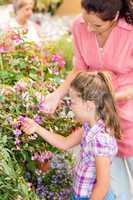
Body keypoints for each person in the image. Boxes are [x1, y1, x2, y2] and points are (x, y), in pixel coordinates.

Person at [42, 0, 133, 199]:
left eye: (97, 25)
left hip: (129, 114)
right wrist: (57, 94)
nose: (89, 28)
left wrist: (111, 96)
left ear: (115, 17)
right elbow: (79, 68)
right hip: (105, 118)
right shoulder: (79, 25)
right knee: (118, 190)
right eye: (85, 20)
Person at [22, 71, 121, 200]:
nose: (70, 106)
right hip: (81, 194)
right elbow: (65, 142)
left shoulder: (100, 139)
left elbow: (102, 185)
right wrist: (37, 128)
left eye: (73, 102)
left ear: (89, 106)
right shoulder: (89, 126)